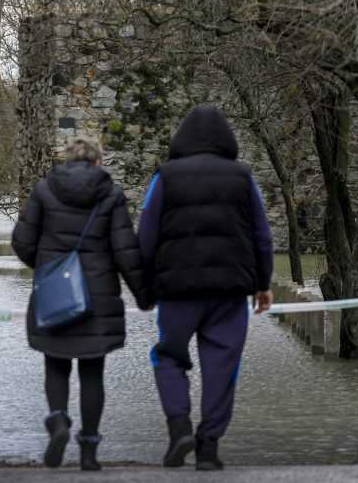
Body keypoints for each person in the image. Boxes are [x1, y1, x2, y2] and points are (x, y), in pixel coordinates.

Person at [137, 106, 274, 471]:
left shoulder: (164, 177)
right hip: (229, 292)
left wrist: (144, 290)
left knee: (168, 357)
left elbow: (146, 235)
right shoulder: (243, 177)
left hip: (177, 291)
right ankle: (209, 447)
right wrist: (263, 285)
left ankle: (179, 426)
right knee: (222, 366)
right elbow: (262, 235)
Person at [12, 138, 151, 471]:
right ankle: (89, 452)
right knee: (92, 372)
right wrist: (145, 296)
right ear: (98, 162)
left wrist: (46, 267)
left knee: (56, 364)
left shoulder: (44, 191)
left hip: (54, 296)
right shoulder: (111, 195)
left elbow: (22, 241)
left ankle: (58, 422)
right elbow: (125, 250)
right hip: (98, 295)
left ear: (66, 160)